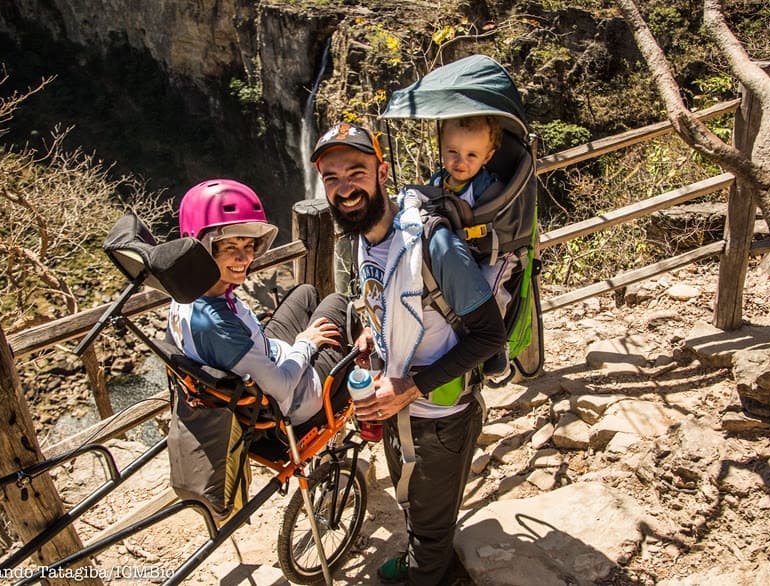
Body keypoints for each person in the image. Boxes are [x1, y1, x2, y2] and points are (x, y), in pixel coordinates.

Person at [311, 122, 507, 584]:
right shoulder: (365, 234)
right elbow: (389, 300)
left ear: (382, 172)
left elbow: (489, 336)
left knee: (432, 519)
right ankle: (423, 559)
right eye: (332, 179)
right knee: (413, 500)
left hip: (439, 415)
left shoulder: (433, 244)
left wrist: (410, 387)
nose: (344, 189)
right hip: (400, 404)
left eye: (355, 172)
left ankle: (430, 573)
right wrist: (370, 333)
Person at [166, 178, 359, 522]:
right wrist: (306, 343)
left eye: (249, 245)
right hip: (292, 401)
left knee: (306, 294)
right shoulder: (219, 326)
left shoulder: (186, 294)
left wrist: (296, 344)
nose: (245, 258)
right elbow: (282, 387)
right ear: (202, 250)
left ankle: (315, 335)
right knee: (338, 304)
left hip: (260, 363)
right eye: (229, 248)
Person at [430, 115, 515, 380]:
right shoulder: (437, 182)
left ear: (487, 157)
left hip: (494, 255)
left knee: (488, 291)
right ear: (441, 148)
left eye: (471, 155)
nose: (460, 162)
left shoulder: (486, 188)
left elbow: (501, 217)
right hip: (457, 255)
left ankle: (496, 345)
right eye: (452, 152)